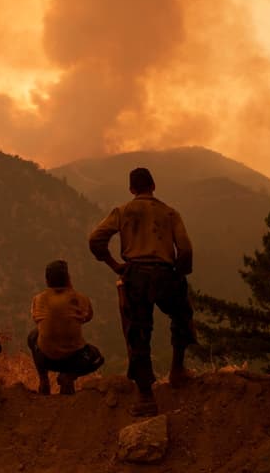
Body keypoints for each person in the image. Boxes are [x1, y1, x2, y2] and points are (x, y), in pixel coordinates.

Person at [88, 167, 196, 417]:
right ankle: (177, 369)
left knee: (138, 331)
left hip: (136, 275)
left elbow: (96, 239)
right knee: (182, 316)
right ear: (153, 185)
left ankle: (146, 395)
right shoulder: (170, 213)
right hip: (165, 272)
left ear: (131, 189)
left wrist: (115, 265)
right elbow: (186, 250)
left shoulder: (123, 211)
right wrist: (178, 275)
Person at [28, 259, 104, 395]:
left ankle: (43, 380)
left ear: (47, 280)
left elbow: (37, 320)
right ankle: (68, 377)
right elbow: (88, 317)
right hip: (74, 361)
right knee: (98, 357)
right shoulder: (80, 299)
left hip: (46, 358)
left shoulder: (38, 299)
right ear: (68, 278)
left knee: (33, 336)